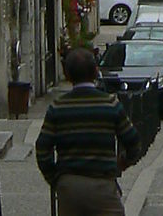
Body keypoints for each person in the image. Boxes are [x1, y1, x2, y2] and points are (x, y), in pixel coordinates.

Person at [35, 46, 141, 216]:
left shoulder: (58, 107)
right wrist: (121, 163)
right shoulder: (110, 104)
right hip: (102, 185)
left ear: (67, 76)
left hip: (70, 187)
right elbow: (133, 142)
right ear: (95, 72)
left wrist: (56, 179)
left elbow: (42, 149)